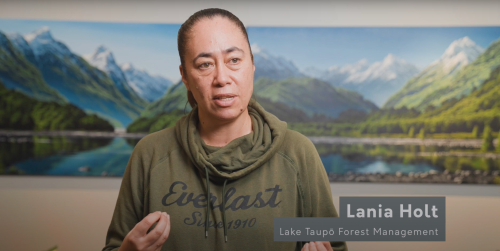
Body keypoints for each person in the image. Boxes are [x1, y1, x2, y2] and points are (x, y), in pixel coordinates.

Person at [102, 8, 348, 251]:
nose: (222, 77)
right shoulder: (150, 154)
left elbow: (334, 246)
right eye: (205, 64)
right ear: (185, 76)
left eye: (234, 60)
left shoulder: (297, 153)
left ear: (252, 65)